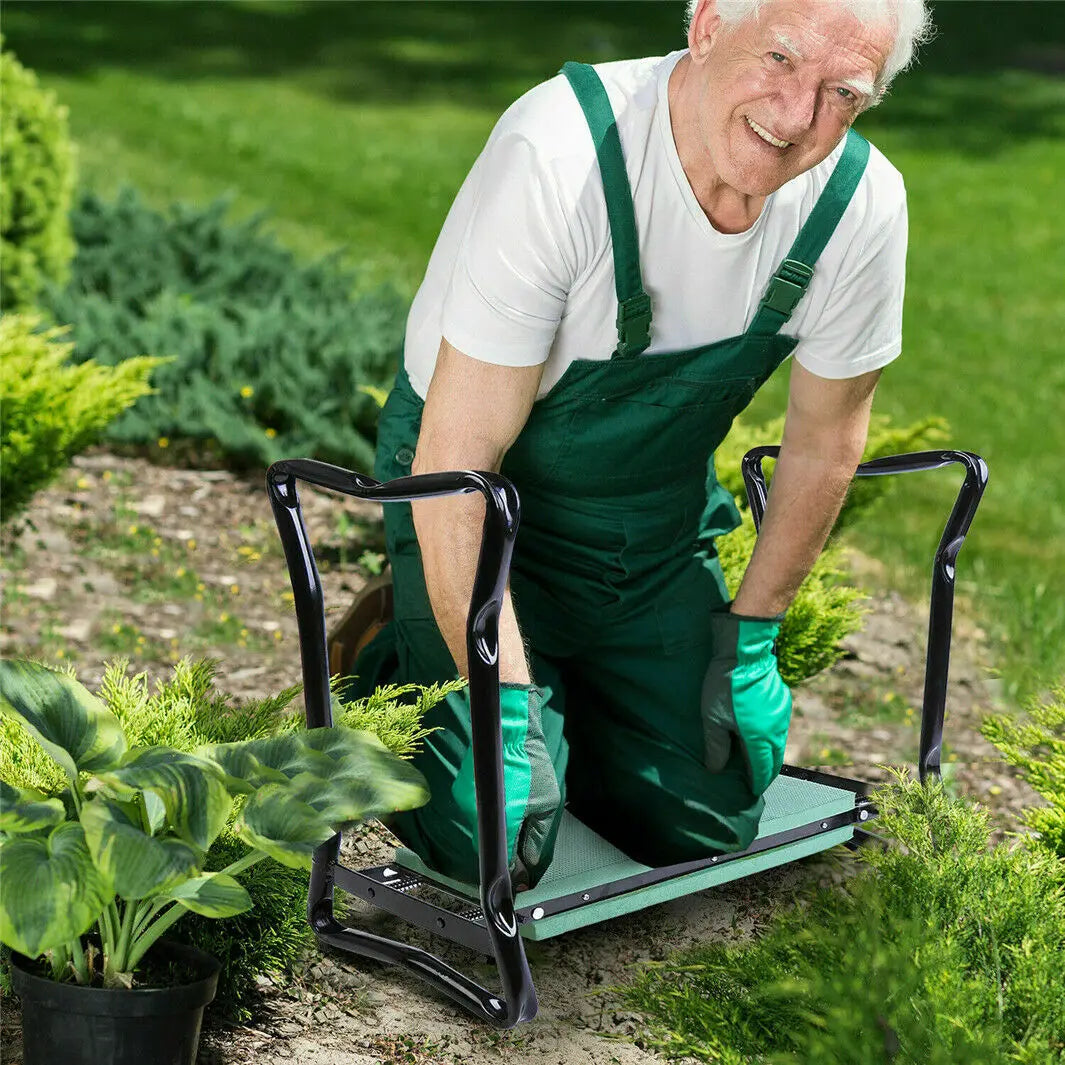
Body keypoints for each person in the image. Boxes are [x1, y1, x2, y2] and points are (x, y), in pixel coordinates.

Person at [344, 0, 932, 890]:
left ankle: (567, 698)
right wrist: (501, 705)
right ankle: (390, 645)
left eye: (840, 92)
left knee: (707, 816)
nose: (794, 116)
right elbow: (456, 459)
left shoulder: (859, 203)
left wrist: (753, 637)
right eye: (777, 58)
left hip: (648, 524)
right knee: (494, 837)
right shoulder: (563, 153)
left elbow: (824, 439)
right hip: (471, 505)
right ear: (704, 25)